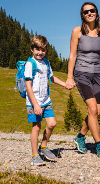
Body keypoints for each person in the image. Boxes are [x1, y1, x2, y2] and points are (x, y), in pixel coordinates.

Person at [66, 2, 100, 159]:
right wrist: (70, 77)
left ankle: (80, 136)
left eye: (92, 11)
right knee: (92, 109)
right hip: (82, 73)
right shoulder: (77, 32)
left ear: (96, 13)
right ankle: (99, 144)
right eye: (86, 12)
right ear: (82, 15)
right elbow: (72, 55)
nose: (89, 13)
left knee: (96, 111)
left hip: (97, 74)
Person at [25, 35, 68, 166]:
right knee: (36, 127)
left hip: (46, 100)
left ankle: (43, 146)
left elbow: (52, 78)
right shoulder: (29, 64)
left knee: (52, 124)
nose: (40, 52)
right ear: (32, 49)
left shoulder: (47, 63)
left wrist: (65, 84)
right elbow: (28, 86)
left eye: (43, 50)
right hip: (34, 101)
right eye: (37, 49)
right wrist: (35, 104)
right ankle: (34, 155)